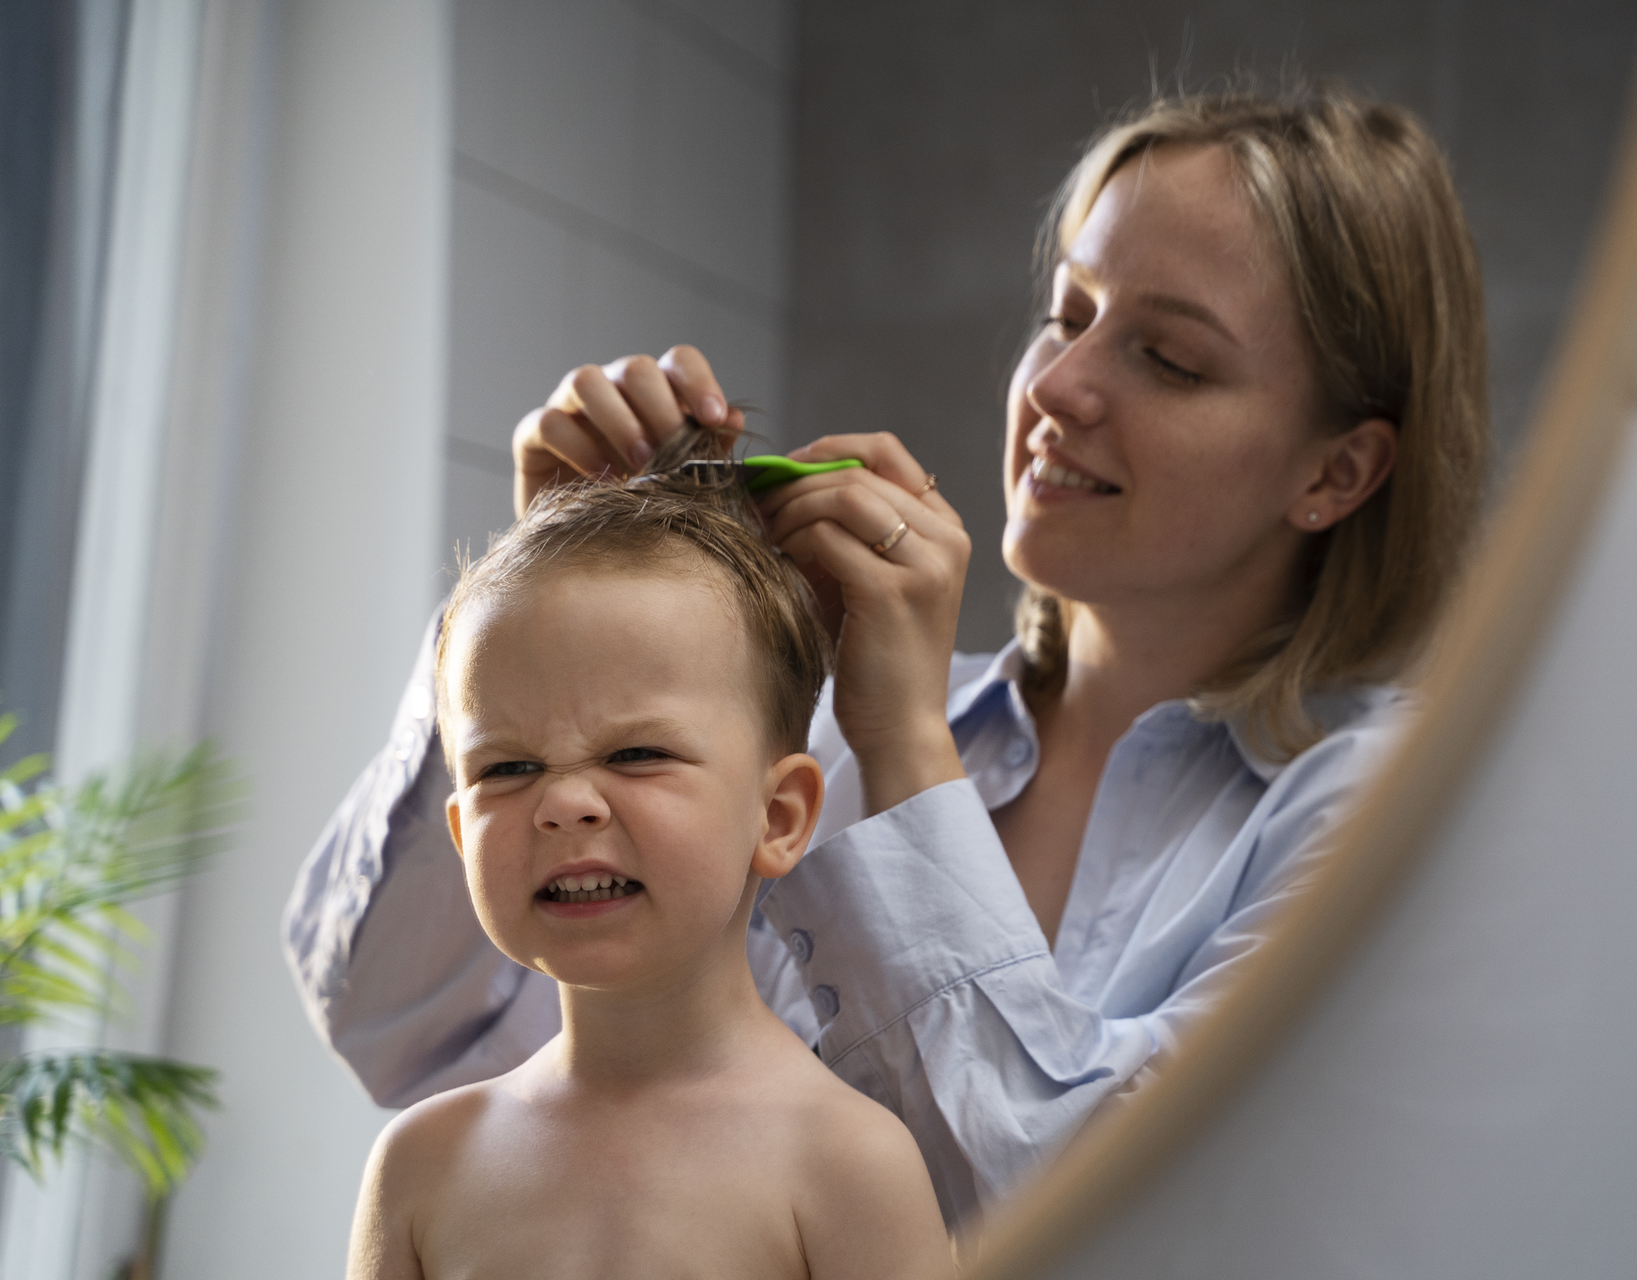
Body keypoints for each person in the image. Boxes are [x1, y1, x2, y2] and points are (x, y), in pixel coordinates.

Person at [287, 87, 1489, 1228]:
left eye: (1168, 358)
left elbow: (1096, 1220)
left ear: (1337, 471)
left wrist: (907, 745)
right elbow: (407, 1030)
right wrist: (544, 628)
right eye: (1068, 315)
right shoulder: (791, 737)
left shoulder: (1386, 816)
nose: (1058, 386)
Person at [344, 447, 952, 1278]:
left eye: (634, 753)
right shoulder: (420, 1166)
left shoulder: (850, 1166)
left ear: (777, 818)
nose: (564, 803)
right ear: (461, 833)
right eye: (507, 769)